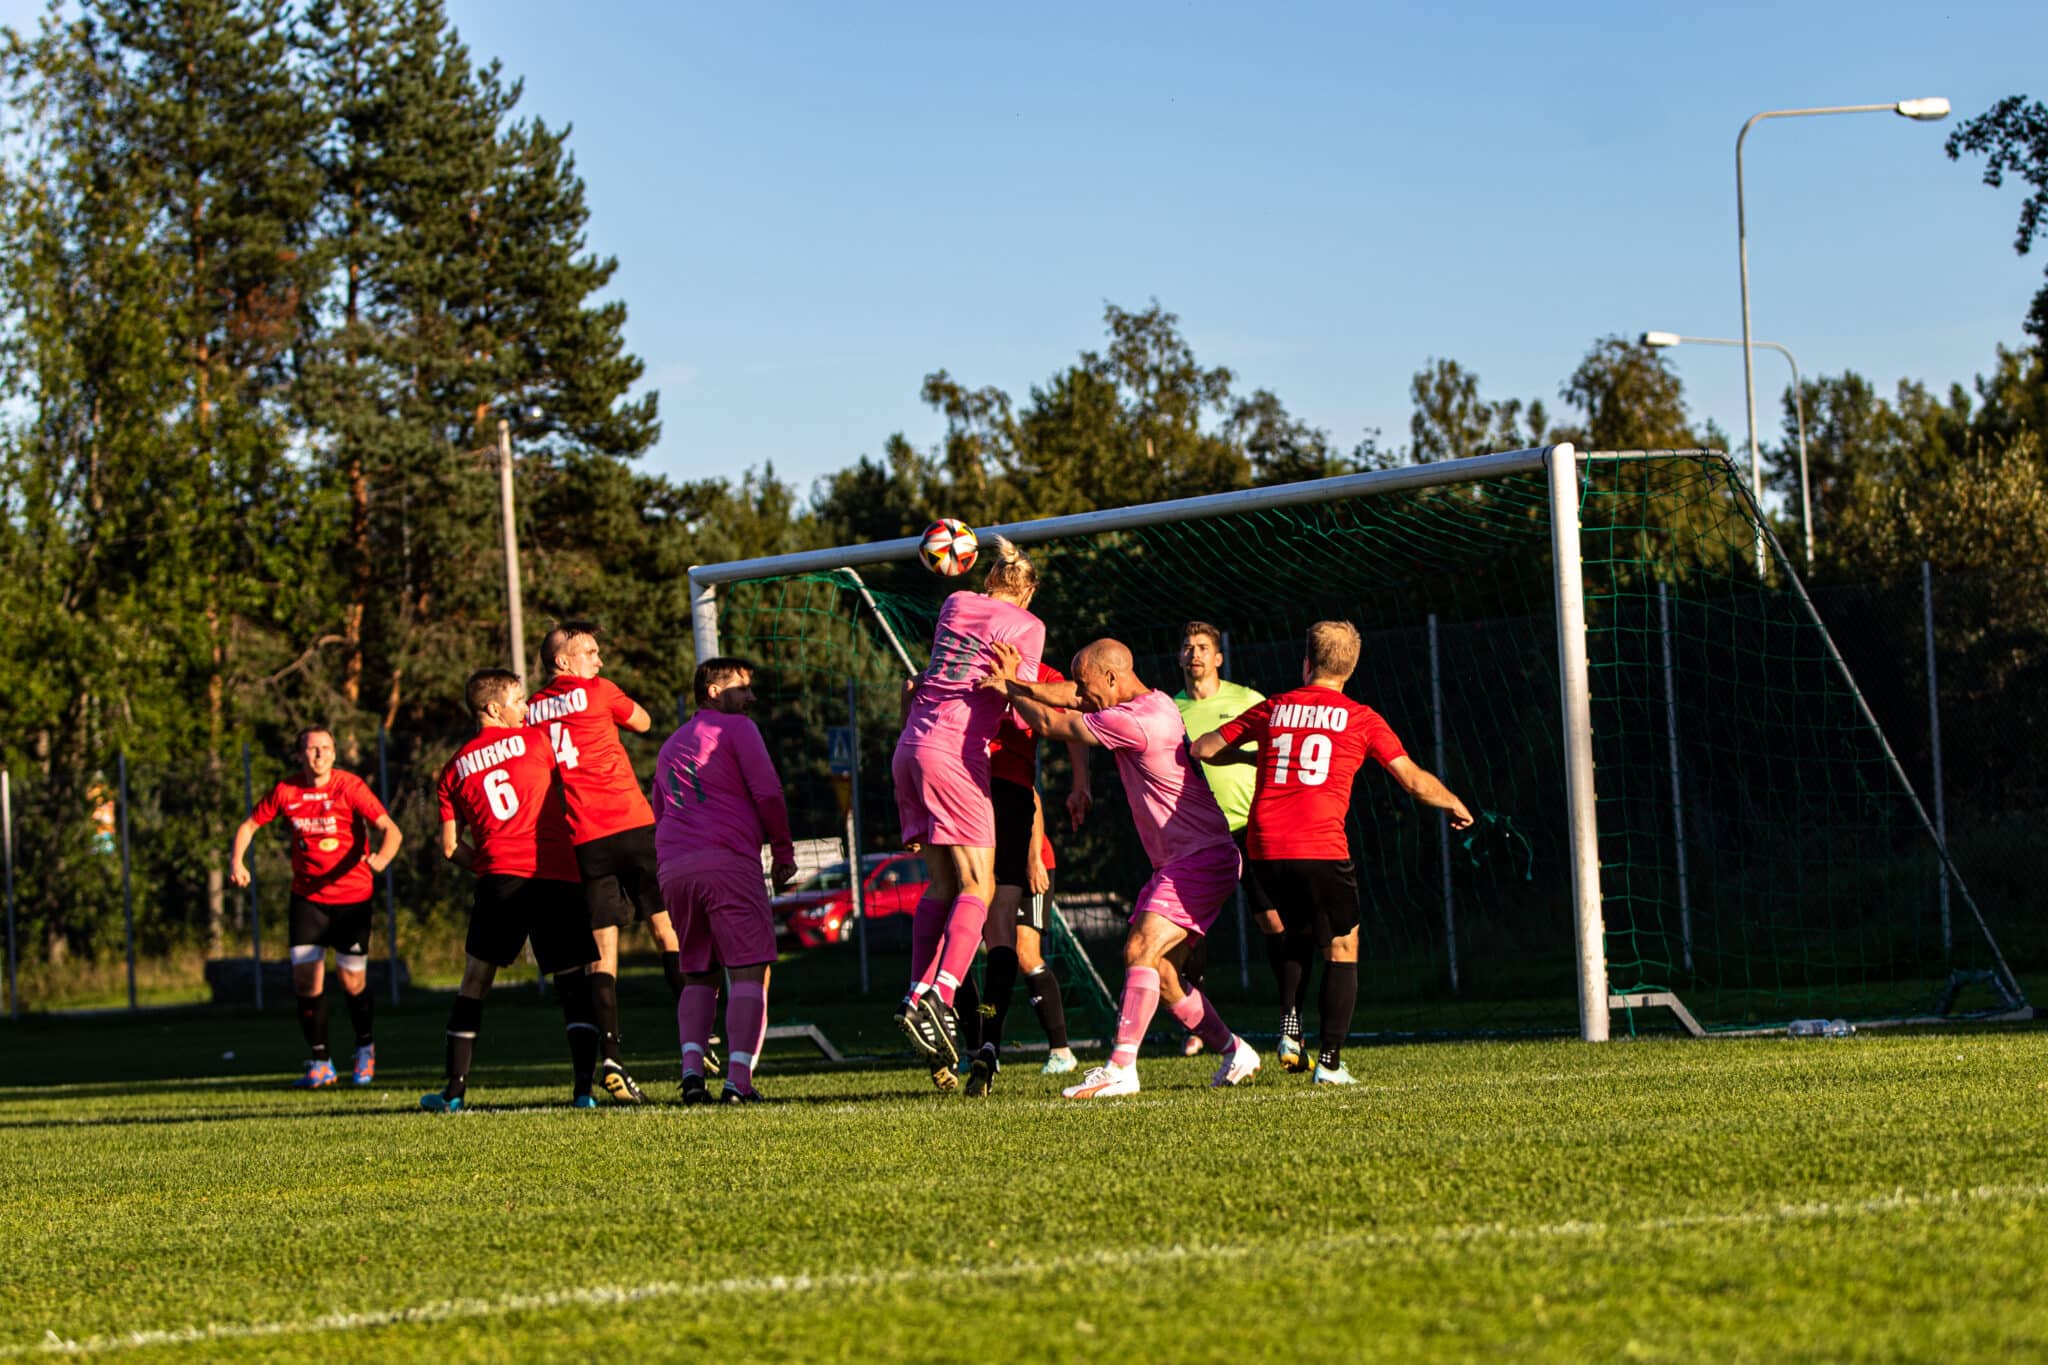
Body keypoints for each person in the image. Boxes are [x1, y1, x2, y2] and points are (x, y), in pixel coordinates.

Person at [1192, 620, 1473, 1085]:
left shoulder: (1274, 707)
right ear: (1350, 669)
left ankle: (1289, 1028)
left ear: (1306, 664)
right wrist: (1455, 803)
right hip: (1319, 845)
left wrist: (1249, 756)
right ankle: (1331, 1063)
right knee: (1343, 945)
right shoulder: (1361, 718)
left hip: (1263, 846)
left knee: (1299, 932)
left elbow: (1204, 748)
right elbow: (1412, 780)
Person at [985, 638, 1260, 1099]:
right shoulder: (1155, 701)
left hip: (1200, 857)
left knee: (1138, 948)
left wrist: (1010, 690)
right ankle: (1235, 1050)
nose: (1083, 692)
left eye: (1089, 683)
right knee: (1166, 975)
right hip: (1190, 858)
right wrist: (1019, 681)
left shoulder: (1137, 720)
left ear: (1112, 678)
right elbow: (1070, 696)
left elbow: (1054, 723)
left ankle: (1121, 1067)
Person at [889, 537, 1046, 1084]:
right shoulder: (1027, 626)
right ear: (1026, 591)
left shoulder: (955, 603)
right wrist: (1019, 684)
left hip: (909, 749)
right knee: (978, 886)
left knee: (939, 887)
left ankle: (916, 995)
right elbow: (1021, 707)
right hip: (956, 752)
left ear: (987, 579)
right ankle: (940, 993)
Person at [422, 670, 603, 1112]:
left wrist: (486, 865)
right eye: (518, 700)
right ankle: (583, 1091)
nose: (526, 708)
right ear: (492, 708)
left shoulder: (452, 770)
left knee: (476, 982)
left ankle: (454, 1091)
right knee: (572, 981)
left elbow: (449, 847)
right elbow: (572, 789)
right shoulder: (538, 742)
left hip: (501, 879)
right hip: (554, 873)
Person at [527, 620, 678, 1104]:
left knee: (601, 954)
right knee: (667, 932)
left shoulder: (529, 710)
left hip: (583, 839)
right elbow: (644, 722)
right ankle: (701, 1043)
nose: (600, 660)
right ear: (563, 662)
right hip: (631, 824)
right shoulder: (598, 691)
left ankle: (611, 1057)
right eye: (590, 652)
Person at [653, 657, 798, 1105]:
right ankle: (738, 1080)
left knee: (698, 974)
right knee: (749, 970)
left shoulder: (671, 745)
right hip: (727, 863)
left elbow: (659, 810)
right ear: (714, 691)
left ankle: (692, 1075)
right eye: (742, 688)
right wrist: (783, 851)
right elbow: (768, 791)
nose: (751, 697)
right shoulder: (738, 730)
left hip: (675, 869)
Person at [230, 727, 402, 1089]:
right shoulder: (286, 791)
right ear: (300, 755)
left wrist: (381, 860)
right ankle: (321, 1060)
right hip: (308, 898)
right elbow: (248, 826)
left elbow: (391, 829)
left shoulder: (349, 787)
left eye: (325, 748)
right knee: (306, 981)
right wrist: (237, 863)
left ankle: (365, 1047)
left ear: (335, 753)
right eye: (312, 749)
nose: (319, 755)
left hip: (352, 898)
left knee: (351, 980)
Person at [955, 660, 1090, 1096]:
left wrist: (1035, 858)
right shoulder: (963, 673)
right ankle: (974, 1045)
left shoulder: (1036, 683)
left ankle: (1060, 1048)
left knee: (1024, 949)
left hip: (1032, 852)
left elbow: (1069, 714)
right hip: (974, 815)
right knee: (964, 941)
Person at [1171, 621, 1290, 1061]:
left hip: (1249, 827)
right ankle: (1198, 1028)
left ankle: (1288, 1017)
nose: (1194, 654)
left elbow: (1274, 753)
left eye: (1203, 647)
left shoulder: (1247, 700)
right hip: (1196, 835)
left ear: (1218, 657)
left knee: (1274, 923)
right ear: (1179, 657)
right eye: (1187, 647)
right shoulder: (1169, 708)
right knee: (1188, 932)